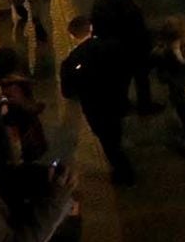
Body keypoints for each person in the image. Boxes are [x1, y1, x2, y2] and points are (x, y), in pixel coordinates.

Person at [58, 15, 136, 183]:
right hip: (117, 99)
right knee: (117, 130)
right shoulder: (112, 46)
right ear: (91, 28)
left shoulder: (70, 63)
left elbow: (67, 92)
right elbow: (126, 68)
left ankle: (124, 172)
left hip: (96, 109)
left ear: (72, 36)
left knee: (109, 142)